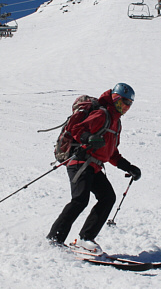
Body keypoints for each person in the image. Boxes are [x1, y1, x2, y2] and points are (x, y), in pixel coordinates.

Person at [47, 83, 142, 251]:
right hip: (80, 162)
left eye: (129, 104)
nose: (125, 107)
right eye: (122, 102)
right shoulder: (102, 114)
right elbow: (75, 128)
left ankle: (86, 238)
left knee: (107, 198)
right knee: (80, 200)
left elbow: (111, 153)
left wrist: (129, 167)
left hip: (94, 166)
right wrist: (87, 138)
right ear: (114, 99)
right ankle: (54, 239)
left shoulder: (116, 123)